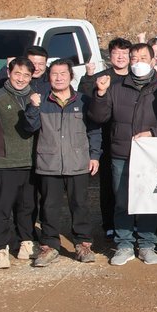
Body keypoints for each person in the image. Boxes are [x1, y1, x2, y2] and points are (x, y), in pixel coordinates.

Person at [88, 42, 157, 266]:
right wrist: (100, 94)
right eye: (134, 58)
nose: (138, 63)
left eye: (143, 58)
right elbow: (99, 117)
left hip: (150, 155)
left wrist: (152, 133)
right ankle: (124, 244)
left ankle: (147, 244)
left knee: (148, 200)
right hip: (122, 152)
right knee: (122, 201)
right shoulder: (115, 87)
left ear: (153, 61)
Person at [22, 58, 102, 266]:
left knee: (80, 204)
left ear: (71, 76)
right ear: (49, 77)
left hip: (78, 161)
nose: (58, 78)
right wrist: (33, 107)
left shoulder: (83, 101)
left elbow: (94, 130)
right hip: (49, 162)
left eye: (63, 74)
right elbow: (30, 127)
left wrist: (94, 155)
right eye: (54, 74)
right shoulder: (41, 101)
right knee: (49, 206)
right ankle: (49, 246)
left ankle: (83, 244)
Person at [0, 58, 38, 269]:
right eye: (17, 73)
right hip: (6, 163)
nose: (21, 79)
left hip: (31, 162)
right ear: (9, 73)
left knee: (27, 207)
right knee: (3, 208)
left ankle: (26, 242)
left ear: (32, 77)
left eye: (26, 75)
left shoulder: (34, 96)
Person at [80, 37, 132, 244]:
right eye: (116, 53)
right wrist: (88, 78)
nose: (120, 57)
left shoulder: (136, 76)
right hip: (106, 137)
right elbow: (86, 101)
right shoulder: (101, 78)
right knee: (109, 184)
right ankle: (109, 224)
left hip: (130, 137)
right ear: (109, 56)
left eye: (124, 53)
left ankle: (133, 223)